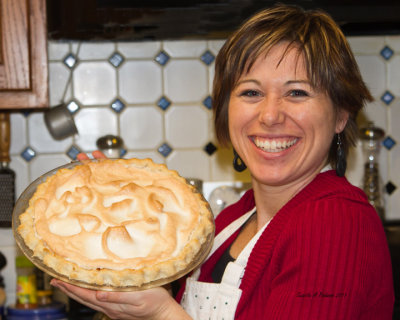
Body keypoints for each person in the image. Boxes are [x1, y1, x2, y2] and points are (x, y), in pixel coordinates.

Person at [50, 4, 394, 319]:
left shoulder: (335, 220)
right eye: (251, 92)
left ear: (341, 116)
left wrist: (161, 314)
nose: (270, 115)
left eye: (297, 92)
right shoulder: (231, 221)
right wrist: (110, 204)